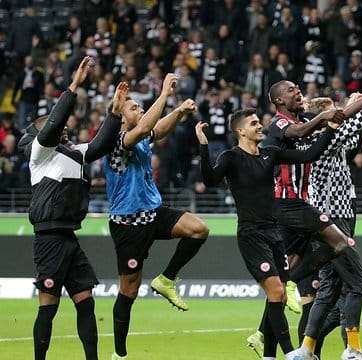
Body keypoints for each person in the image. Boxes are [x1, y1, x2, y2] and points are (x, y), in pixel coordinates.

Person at [196, 108, 341, 360]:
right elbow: (209, 180)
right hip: (252, 235)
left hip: (274, 233)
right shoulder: (231, 157)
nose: (260, 126)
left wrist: (330, 129)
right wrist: (203, 146)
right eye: (253, 123)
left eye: (258, 122)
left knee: (281, 296)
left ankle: (269, 356)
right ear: (240, 130)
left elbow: (310, 154)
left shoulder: (270, 154)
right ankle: (290, 354)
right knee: (276, 293)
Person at [17, 56, 123, 360]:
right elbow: (51, 126)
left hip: (68, 238)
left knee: (85, 302)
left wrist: (113, 114)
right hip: (49, 237)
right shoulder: (41, 154)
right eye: (56, 125)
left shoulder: (74, 153)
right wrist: (74, 86)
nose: (63, 127)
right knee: (48, 306)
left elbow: (101, 144)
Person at [105, 73, 209, 360]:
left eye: (140, 107)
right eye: (134, 108)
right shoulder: (117, 140)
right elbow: (147, 127)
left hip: (152, 213)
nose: (139, 110)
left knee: (198, 229)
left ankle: (167, 280)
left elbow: (157, 130)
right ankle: (120, 354)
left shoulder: (140, 138)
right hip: (128, 223)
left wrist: (177, 112)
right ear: (121, 117)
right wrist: (164, 94)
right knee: (129, 289)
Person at [298, 79, 362, 360]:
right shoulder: (324, 140)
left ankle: (306, 349)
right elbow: (352, 127)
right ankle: (352, 348)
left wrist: (356, 105)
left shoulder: (322, 141)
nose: (339, 116)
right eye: (335, 112)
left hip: (332, 218)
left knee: (329, 289)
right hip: (334, 220)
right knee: (358, 284)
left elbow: (353, 135)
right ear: (322, 119)